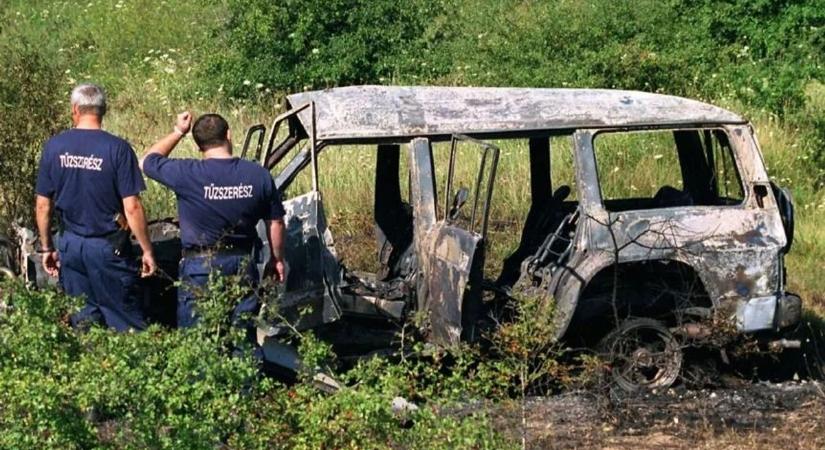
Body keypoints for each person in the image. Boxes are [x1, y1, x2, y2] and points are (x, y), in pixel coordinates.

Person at [139, 112, 286, 329]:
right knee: (241, 337)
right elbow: (276, 223)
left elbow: (146, 161)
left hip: (200, 267)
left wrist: (179, 132)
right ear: (229, 135)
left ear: (199, 146)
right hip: (242, 265)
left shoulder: (186, 172)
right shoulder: (258, 174)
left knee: (200, 339)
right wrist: (277, 260)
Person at [35, 83, 156, 332]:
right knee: (126, 323)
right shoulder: (118, 149)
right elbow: (132, 207)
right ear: (104, 110)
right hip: (107, 246)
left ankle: (89, 368)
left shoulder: (54, 147)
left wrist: (47, 247)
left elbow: (42, 205)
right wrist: (147, 250)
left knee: (84, 322)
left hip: (70, 244)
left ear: (75, 110)